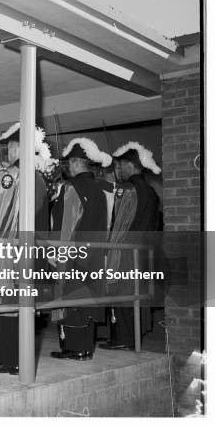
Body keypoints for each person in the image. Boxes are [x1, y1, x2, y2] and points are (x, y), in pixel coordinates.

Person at [0, 123, 53, 375]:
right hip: (24, 249)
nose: (9, 151)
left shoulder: (15, 175)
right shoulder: (34, 177)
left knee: (10, 303)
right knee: (14, 303)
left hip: (12, 249)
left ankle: (11, 359)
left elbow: (6, 215)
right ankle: (11, 358)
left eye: (12, 146)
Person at [50, 138, 111, 361]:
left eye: (70, 163)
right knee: (87, 301)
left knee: (71, 300)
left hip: (73, 254)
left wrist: (55, 253)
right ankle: (85, 349)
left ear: (76, 162)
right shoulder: (100, 190)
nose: (68, 167)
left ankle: (74, 349)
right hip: (94, 254)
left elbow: (65, 224)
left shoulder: (71, 188)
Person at [100, 142, 161, 350]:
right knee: (137, 295)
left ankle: (123, 339)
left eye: (121, 166)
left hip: (125, 251)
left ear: (129, 165)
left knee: (121, 293)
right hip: (144, 250)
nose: (119, 170)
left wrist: (110, 250)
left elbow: (119, 223)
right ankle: (134, 337)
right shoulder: (152, 192)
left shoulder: (126, 189)